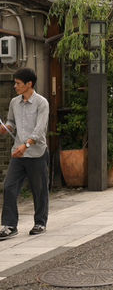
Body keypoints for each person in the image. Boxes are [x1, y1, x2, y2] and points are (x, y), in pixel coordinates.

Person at [0, 68, 49, 239]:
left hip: (36, 153)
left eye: (18, 83)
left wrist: (26, 145)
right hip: (18, 154)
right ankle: (9, 225)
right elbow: (11, 121)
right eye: (15, 83)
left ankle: (40, 222)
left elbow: (39, 129)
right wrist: (7, 128)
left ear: (29, 84)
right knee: (9, 187)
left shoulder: (42, 103)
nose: (15, 86)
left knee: (39, 189)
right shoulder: (14, 102)